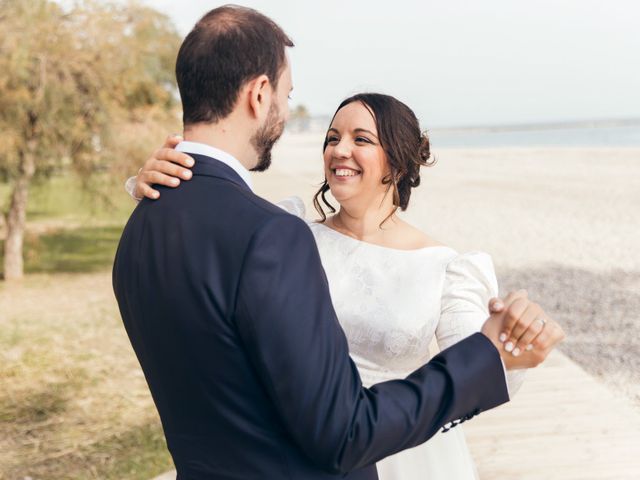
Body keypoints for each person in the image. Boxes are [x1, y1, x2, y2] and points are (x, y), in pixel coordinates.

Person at [113, 5, 565, 480]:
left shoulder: (143, 228)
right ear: (259, 94)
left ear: (397, 160)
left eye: (361, 139)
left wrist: (505, 345)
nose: (336, 147)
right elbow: (342, 430)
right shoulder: (279, 235)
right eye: (288, 97)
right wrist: (489, 353)